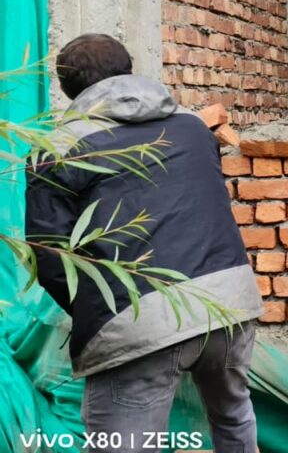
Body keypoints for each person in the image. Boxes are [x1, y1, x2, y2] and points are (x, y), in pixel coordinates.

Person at [25, 34, 263, 453]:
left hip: (138, 318)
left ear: (66, 89)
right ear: (130, 69)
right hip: (229, 301)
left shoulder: (57, 151)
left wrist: (101, 312)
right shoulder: (192, 126)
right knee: (233, 418)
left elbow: (51, 258)